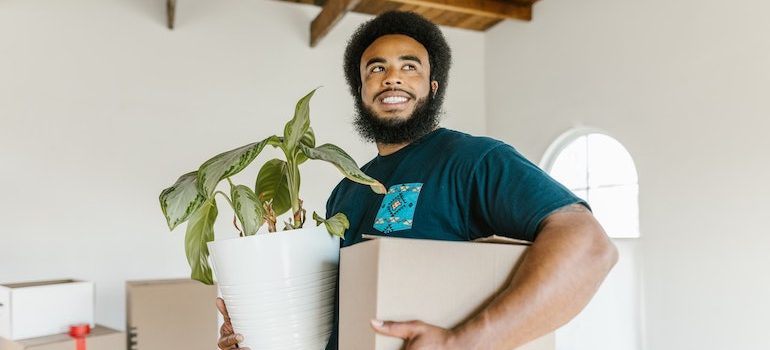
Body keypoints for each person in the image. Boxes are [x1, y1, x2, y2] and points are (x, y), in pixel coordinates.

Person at [217, 11, 618, 350]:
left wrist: (463, 343)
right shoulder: (347, 190)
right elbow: (338, 314)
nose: (393, 78)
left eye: (410, 66)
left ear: (432, 86)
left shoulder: (473, 159)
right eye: (377, 68)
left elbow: (590, 247)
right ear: (360, 91)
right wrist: (261, 330)